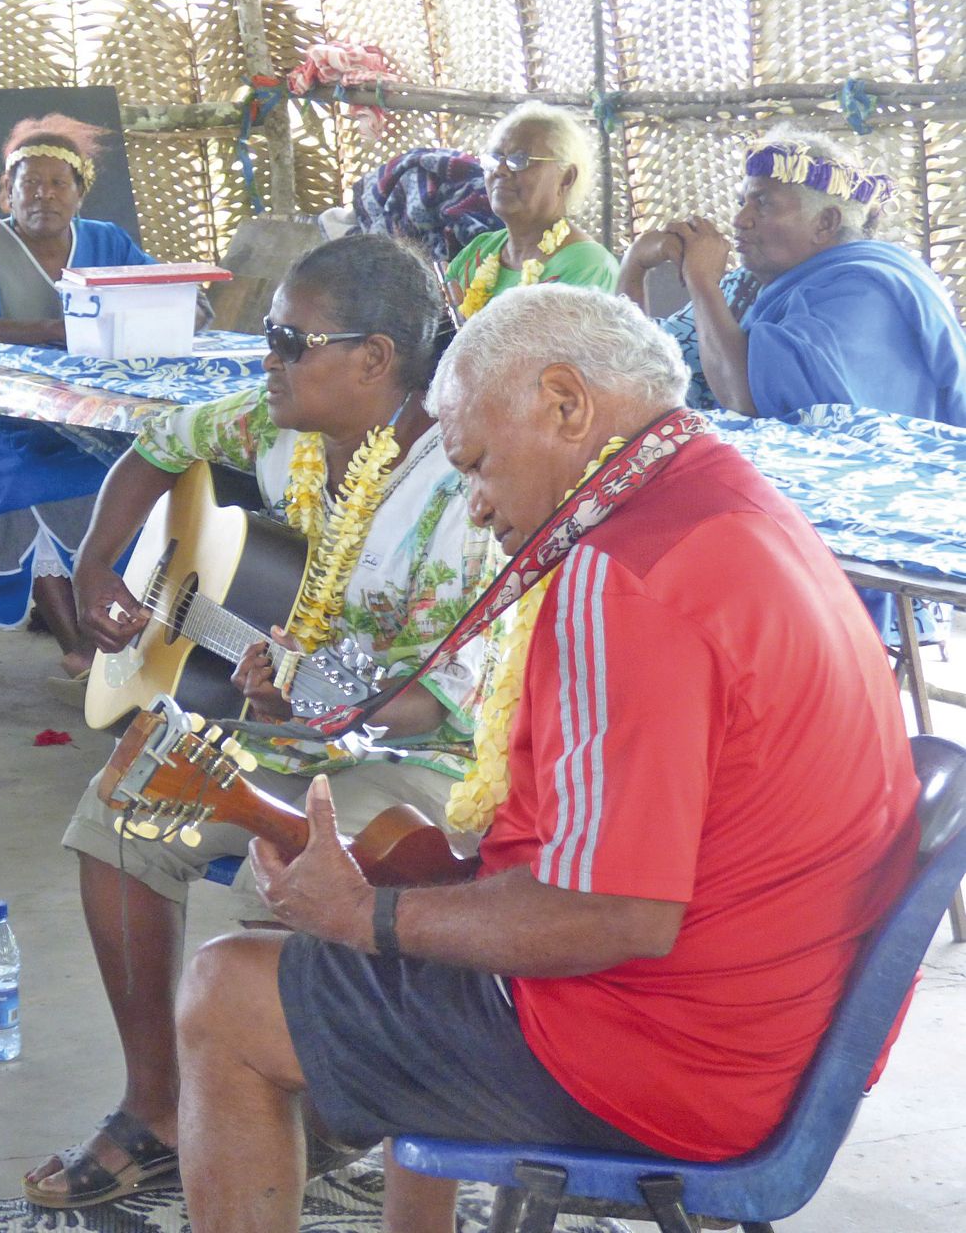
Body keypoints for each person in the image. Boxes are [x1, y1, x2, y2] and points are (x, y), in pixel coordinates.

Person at [169, 285, 921, 1233]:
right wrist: (402, 911)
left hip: (668, 1060)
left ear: (566, 404)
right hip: (768, 1029)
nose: (477, 508)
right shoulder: (721, 493)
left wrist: (370, 917)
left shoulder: (628, 577)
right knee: (398, 922)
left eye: (478, 467)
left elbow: (615, 914)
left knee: (222, 994)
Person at [22, 235, 496, 1209]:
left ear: (373, 360)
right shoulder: (274, 422)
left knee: (278, 899)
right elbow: (157, 446)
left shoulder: (460, 479)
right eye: (267, 335)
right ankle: (154, 1109)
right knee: (123, 808)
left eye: (287, 339)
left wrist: (308, 691)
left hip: (435, 757)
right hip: (315, 723)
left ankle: (309, 1108)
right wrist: (99, 562)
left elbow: (445, 697)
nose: (264, 358)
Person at [0, 114, 204, 689]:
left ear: (79, 192)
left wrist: (169, 307)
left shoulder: (106, 241)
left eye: (58, 183)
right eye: (28, 184)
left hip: (85, 414)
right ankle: (82, 644)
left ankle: (139, 624)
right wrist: (54, 329)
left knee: (147, 466)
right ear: (6, 193)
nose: (43, 194)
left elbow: (180, 304)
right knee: (24, 481)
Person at [618, 127, 966, 427]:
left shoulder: (864, 294)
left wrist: (702, 283)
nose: (740, 219)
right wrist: (634, 267)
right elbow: (632, 371)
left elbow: (749, 403)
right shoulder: (746, 286)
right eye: (742, 202)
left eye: (763, 203)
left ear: (825, 223)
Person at [444, 101, 618, 318]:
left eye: (520, 160)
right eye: (495, 158)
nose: (500, 170)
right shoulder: (480, 250)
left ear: (566, 177)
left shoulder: (589, 267)